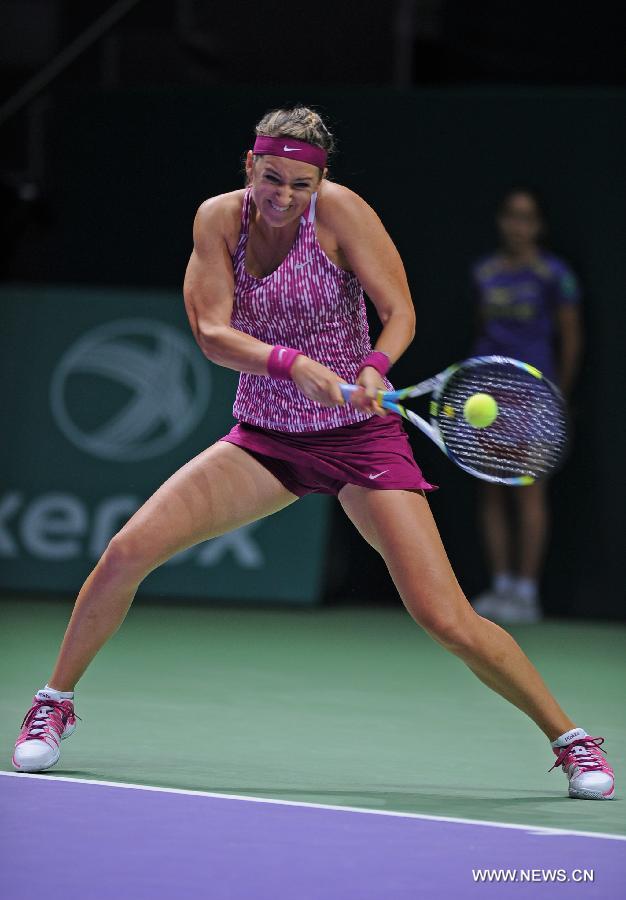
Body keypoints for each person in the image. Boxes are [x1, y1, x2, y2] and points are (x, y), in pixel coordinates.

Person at [12, 107, 612, 801]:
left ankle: (570, 740)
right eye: (273, 178)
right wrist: (291, 364)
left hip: (360, 440)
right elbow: (211, 331)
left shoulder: (342, 213)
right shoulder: (218, 221)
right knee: (125, 552)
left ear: (320, 181)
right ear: (249, 165)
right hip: (266, 440)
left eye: (302, 183)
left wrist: (376, 365)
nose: (285, 197)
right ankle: (55, 700)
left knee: (444, 616)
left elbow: (401, 311)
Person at [471, 188, 584, 624]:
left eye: (527, 218)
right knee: (492, 488)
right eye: (512, 216)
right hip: (487, 396)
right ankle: (500, 587)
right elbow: (483, 331)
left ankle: (526, 591)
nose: (519, 226)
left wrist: (561, 395)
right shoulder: (483, 272)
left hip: (536, 395)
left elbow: (571, 337)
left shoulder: (554, 274)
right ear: (501, 221)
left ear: (538, 226)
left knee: (530, 492)